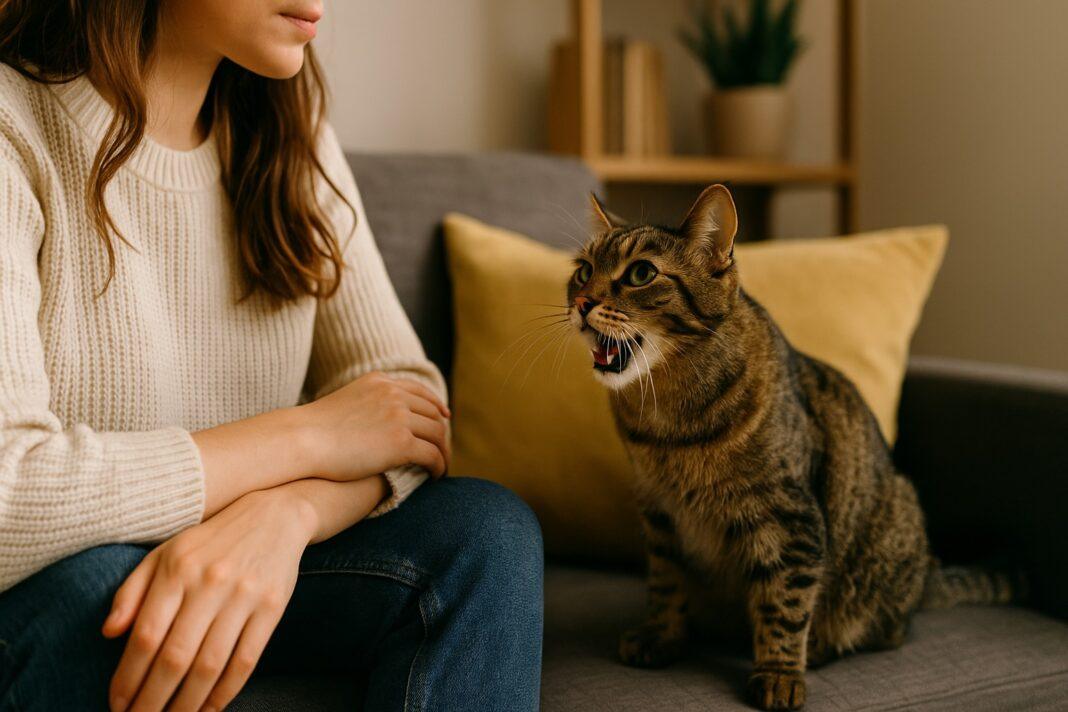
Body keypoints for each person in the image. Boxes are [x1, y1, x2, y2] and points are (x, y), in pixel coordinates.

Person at [0, 1, 543, 710]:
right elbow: (10, 491)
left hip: (260, 575)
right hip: (69, 600)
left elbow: (408, 405)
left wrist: (287, 518)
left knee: (487, 536)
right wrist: (307, 435)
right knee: (98, 593)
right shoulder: (15, 123)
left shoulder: (290, 131)